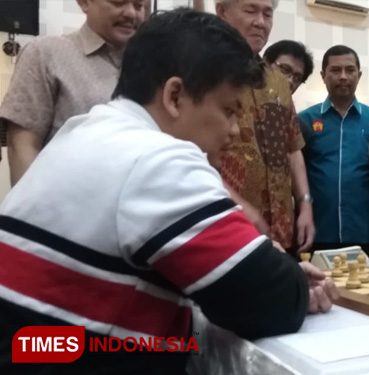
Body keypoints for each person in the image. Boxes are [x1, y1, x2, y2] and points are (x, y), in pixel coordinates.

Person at [0, 9, 337, 374]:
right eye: (229, 110)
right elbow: (267, 302)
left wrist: (259, 264)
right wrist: (288, 279)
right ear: (175, 96)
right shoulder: (158, 159)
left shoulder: (83, 130)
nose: (235, 131)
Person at [0, 0, 147, 185]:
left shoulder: (152, 67)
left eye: (139, 5)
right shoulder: (46, 54)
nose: (131, 13)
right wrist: (30, 211)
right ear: (84, 2)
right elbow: (23, 146)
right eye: (119, 2)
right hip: (64, 206)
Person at [213, 0, 315, 253]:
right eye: (250, 10)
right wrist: (239, 207)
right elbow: (191, 153)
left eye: (267, 14)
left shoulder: (277, 81)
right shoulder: (203, 72)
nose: (260, 21)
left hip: (282, 230)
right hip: (227, 225)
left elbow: (293, 148)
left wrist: (305, 204)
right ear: (222, 11)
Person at [298, 45, 369, 255]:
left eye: (350, 70)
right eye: (335, 70)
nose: (343, 76)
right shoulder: (304, 121)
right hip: (317, 231)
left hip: (365, 231)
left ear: (359, 75)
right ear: (323, 75)